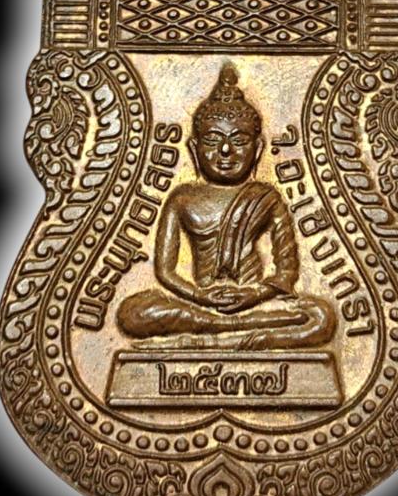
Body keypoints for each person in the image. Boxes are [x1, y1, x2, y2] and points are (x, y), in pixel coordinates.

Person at [116, 65, 335, 350]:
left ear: (258, 149)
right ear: (194, 148)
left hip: (256, 302)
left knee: (321, 314)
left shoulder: (267, 197)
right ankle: (230, 331)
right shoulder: (181, 199)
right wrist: (200, 296)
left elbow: (286, 272)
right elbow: (166, 272)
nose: (225, 151)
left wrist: (254, 295)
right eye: (212, 140)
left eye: (239, 140)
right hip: (198, 302)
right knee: (133, 313)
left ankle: (210, 335)